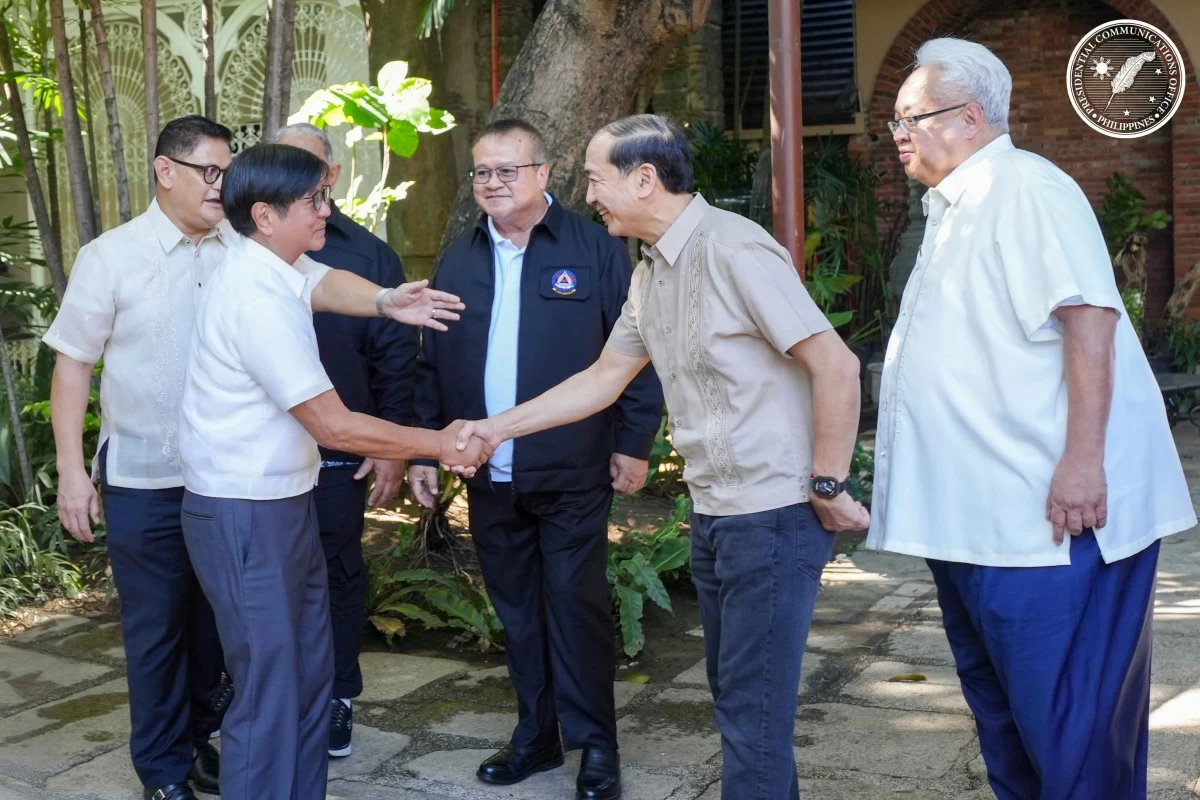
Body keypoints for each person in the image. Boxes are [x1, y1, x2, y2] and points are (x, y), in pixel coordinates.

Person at [453, 114, 869, 800]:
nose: (589, 195)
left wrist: (827, 480)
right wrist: (497, 428)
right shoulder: (650, 271)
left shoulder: (735, 249)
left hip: (772, 513)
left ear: (643, 179)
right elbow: (601, 380)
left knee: (751, 715)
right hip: (715, 514)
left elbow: (837, 365)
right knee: (739, 702)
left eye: (594, 178)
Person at [871, 38, 1196, 798]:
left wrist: (1084, 462)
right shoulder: (957, 204)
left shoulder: (1024, 188)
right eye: (892, 122)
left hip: (1054, 530)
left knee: (1072, 734)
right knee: (1008, 723)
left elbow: (1089, 320)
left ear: (972, 117)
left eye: (910, 118)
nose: (898, 136)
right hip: (982, 524)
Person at [177, 143, 490, 799]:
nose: (326, 209)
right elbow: (335, 425)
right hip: (243, 513)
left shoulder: (271, 262)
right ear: (265, 215)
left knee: (307, 672)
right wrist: (437, 442)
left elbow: (320, 283)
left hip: (285, 504)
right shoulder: (253, 298)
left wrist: (385, 301)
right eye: (313, 201)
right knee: (268, 684)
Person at [411, 118, 663, 800]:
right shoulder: (460, 256)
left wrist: (633, 444)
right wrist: (427, 448)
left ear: (543, 174)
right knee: (517, 611)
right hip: (486, 473)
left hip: (573, 468)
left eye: (507, 170)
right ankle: (537, 736)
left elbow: (638, 354)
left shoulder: (594, 248)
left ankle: (596, 747)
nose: (492, 183)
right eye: (481, 172)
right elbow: (432, 361)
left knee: (574, 607)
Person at [45, 115, 235, 800]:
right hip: (142, 482)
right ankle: (160, 770)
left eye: (226, 172)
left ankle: (195, 741)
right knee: (157, 630)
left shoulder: (241, 248)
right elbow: (72, 368)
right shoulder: (112, 256)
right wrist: (73, 472)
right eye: (209, 172)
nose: (222, 186)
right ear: (166, 171)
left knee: (216, 629)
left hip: (226, 483)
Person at [273, 122, 418, 758]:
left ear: (330, 176)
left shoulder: (367, 255)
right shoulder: (238, 251)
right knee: (262, 574)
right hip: (259, 455)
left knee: (336, 570)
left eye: (308, 171)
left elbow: (395, 361)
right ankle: (255, 691)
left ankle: (337, 694)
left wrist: (392, 446)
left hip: (341, 451)